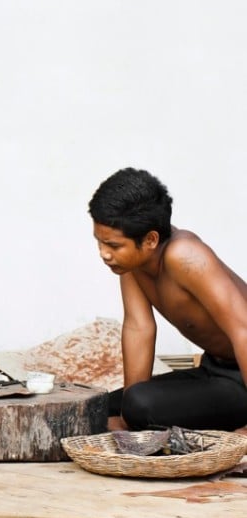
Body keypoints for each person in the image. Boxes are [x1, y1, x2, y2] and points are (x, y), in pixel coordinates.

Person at [89, 167, 247, 432]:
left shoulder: (185, 255)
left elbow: (244, 330)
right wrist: (129, 413)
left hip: (240, 378)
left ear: (150, 240)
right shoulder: (133, 264)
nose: (104, 254)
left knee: (140, 406)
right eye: (100, 242)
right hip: (214, 371)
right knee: (99, 407)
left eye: (114, 246)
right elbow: (139, 327)